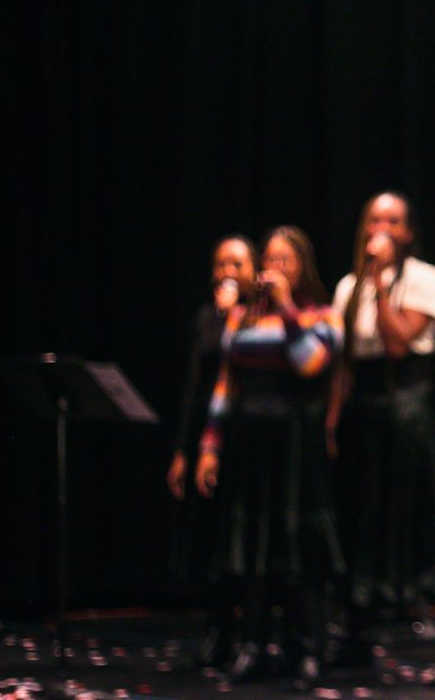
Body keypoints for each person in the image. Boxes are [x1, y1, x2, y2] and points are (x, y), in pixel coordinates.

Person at [330, 191, 435, 684]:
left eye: (392, 221)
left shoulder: (425, 279)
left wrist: (381, 284)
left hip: (406, 406)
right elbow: (345, 362)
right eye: (374, 220)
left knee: (423, 522)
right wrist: (331, 424)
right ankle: (356, 636)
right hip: (363, 411)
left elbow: (396, 343)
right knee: (361, 520)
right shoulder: (349, 286)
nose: (382, 230)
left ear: (408, 232)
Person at [196, 226, 344, 690]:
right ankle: (253, 646)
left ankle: (308, 649)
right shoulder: (242, 317)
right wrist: (209, 447)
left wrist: (286, 307)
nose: (274, 268)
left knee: (299, 548)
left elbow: (309, 364)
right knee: (253, 546)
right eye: (269, 260)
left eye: (285, 260)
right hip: (249, 438)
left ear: (302, 266)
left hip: (296, 441)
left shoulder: (323, 315)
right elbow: (226, 383)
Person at [167, 234, 256, 667]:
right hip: (208, 434)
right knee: (214, 536)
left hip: (247, 434)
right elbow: (194, 385)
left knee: (245, 535)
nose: (228, 273)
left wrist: (233, 320)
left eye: (237, 265)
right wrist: (184, 451)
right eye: (221, 265)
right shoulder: (206, 317)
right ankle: (218, 630)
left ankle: (251, 634)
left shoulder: (261, 317)